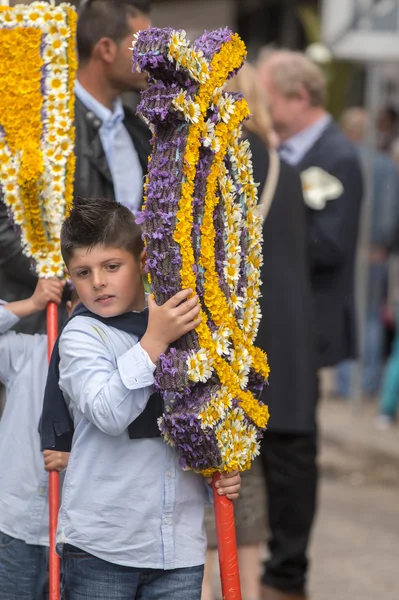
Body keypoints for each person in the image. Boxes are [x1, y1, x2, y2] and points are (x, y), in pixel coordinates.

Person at [45, 197, 241, 600]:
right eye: (83, 272)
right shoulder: (83, 335)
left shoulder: (184, 326)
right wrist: (153, 342)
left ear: (143, 261)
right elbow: (108, 413)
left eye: (111, 266)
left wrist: (218, 468)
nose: (98, 281)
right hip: (103, 547)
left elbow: (197, 414)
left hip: (179, 547)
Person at [202, 63, 317, 600]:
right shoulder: (284, 166)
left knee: (222, 472)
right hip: (280, 337)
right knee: (269, 473)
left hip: (229, 336)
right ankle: (260, 584)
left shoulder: (208, 162)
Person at [257, 50, 363, 599]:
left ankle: (287, 567)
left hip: (309, 321)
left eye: (270, 100)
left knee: (295, 443)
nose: (266, 110)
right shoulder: (291, 154)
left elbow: (329, 243)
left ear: (298, 98)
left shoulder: (334, 154)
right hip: (286, 319)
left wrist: (277, 233)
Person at [0, 0, 152, 333]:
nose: (152, 57)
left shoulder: (137, 129)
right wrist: (72, 276)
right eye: (142, 43)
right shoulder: (42, 124)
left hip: (129, 324)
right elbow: (6, 222)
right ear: (106, 49)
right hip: (55, 324)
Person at [0, 278, 73, 600]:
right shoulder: (31, 351)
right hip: (15, 526)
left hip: (77, 539)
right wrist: (32, 303)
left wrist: (75, 458)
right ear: (69, 309)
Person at [335, 107, 399, 398]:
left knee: (348, 317)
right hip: (374, 253)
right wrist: (380, 246)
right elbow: (390, 214)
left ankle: (346, 385)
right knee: (372, 318)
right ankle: (370, 382)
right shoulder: (385, 165)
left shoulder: (342, 160)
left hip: (351, 252)